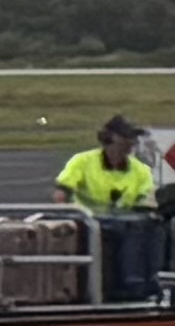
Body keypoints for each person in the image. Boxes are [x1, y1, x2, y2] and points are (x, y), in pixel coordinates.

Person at [53, 115, 165, 302]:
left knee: (151, 227)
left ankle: (140, 284)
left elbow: (146, 202)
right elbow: (61, 194)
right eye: (127, 137)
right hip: (87, 222)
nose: (131, 142)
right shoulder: (82, 161)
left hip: (125, 222)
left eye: (133, 138)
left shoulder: (140, 170)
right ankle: (124, 282)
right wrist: (68, 217)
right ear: (110, 138)